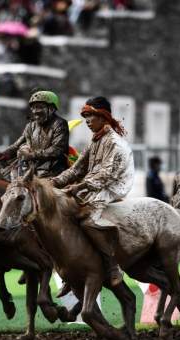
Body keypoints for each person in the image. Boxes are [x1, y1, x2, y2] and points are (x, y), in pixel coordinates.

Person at [51, 96, 134, 288]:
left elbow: (105, 175)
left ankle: (112, 265)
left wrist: (79, 187)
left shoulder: (114, 141)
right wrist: (53, 182)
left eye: (91, 117)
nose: (87, 121)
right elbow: (76, 170)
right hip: (94, 185)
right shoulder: (94, 141)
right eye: (85, 117)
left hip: (113, 186)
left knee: (88, 220)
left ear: (104, 117)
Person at [0, 90, 69, 179]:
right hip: (30, 171)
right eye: (33, 107)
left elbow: (57, 149)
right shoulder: (30, 126)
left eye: (39, 107)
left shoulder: (60, 124)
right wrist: (5, 154)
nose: (35, 111)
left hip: (52, 173)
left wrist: (32, 155)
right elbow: (17, 145)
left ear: (51, 109)